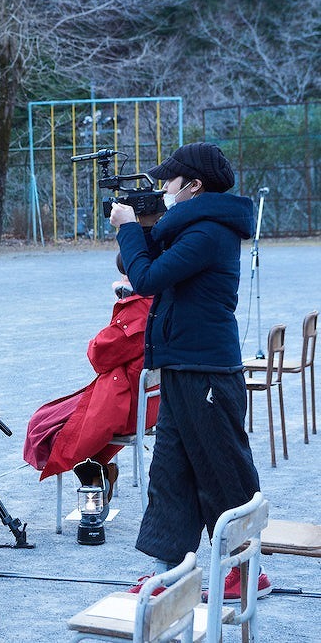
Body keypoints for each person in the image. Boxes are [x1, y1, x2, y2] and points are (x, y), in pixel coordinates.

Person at [110, 142, 270, 601]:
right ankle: (170, 573)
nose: (162, 190)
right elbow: (136, 263)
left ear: (193, 186)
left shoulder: (209, 233)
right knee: (171, 473)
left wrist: (128, 230)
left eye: (169, 183)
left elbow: (146, 279)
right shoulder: (191, 227)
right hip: (181, 367)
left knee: (223, 471)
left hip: (208, 373)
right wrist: (137, 229)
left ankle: (245, 569)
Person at [23, 256, 157, 501]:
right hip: (143, 403)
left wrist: (95, 341)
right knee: (49, 420)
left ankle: (96, 479)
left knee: (46, 426)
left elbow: (100, 355)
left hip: (125, 406)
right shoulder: (158, 301)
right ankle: (98, 475)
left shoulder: (139, 308)